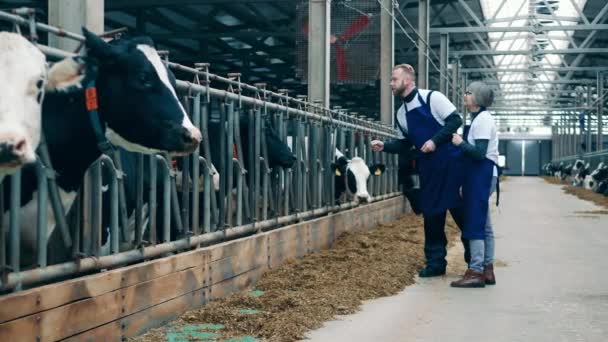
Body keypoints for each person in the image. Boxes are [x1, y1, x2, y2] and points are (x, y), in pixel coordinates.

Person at [371, 64, 468, 277]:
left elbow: (455, 120)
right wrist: (385, 146)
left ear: (407, 80)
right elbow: (405, 143)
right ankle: (435, 264)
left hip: (452, 166)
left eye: (394, 79)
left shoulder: (432, 97)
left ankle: (475, 263)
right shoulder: (401, 113)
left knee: (462, 215)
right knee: (432, 218)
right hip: (429, 171)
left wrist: (434, 142)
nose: (391, 83)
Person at [450, 81, 498, 288]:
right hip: (480, 174)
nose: (465, 95)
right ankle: (487, 270)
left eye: (469, 92)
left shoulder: (483, 120)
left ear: (478, 98)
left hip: (482, 173)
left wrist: (460, 142)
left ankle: (476, 271)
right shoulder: (478, 119)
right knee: (484, 224)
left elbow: (479, 153)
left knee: (474, 221)